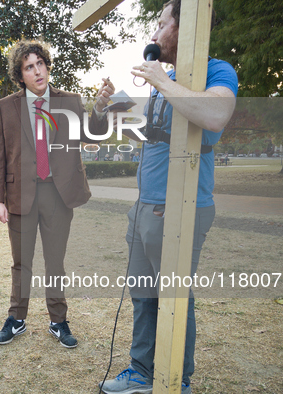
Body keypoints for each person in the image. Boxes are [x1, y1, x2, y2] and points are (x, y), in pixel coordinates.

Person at [99, 1, 238, 393]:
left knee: (174, 297)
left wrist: (161, 80)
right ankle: (141, 373)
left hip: (182, 206)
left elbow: (214, 117)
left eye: (161, 24)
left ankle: (178, 380)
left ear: (187, 28)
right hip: (145, 205)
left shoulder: (217, 70)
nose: (154, 34)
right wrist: (109, 109)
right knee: (143, 295)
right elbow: (148, 135)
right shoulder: (170, 80)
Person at [0, 39, 113, 348]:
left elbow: (90, 134)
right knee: (22, 262)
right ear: (20, 75)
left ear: (47, 65)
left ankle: (58, 321)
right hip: (20, 197)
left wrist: (99, 107)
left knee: (55, 262)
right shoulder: (6, 107)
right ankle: (16, 319)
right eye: (29, 67)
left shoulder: (70, 101)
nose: (37, 71)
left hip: (58, 195)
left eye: (40, 63)